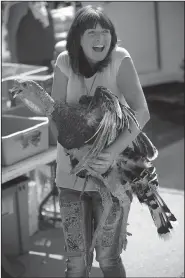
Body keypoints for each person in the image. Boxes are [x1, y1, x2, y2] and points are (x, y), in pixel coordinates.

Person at [51, 6, 150, 278]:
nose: (100, 38)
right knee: (77, 264)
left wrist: (110, 152)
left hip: (112, 179)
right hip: (69, 178)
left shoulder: (120, 58)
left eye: (105, 32)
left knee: (108, 259)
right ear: (77, 39)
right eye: (92, 32)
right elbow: (54, 115)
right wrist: (76, 149)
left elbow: (142, 111)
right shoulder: (63, 61)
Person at [4, 1, 55, 73]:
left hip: (47, 62)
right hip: (29, 65)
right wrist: (14, 63)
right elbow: (11, 35)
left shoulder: (44, 5)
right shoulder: (19, 6)